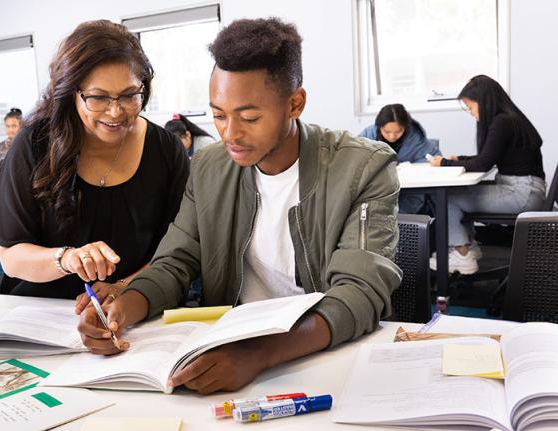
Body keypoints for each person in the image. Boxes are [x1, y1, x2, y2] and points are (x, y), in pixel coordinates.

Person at [77, 17, 401, 394]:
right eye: (218, 115)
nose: (230, 133)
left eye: (249, 117)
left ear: (295, 103)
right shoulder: (209, 167)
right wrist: (123, 310)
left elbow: (359, 294)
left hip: (321, 355)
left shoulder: (363, 167)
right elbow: (176, 261)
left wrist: (257, 355)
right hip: (225, 354)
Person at [0, 20, 189, 301]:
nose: (115, 112)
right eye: (98, 97)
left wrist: (123, 288)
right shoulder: (36, 144)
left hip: (135, 305)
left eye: (129, 95)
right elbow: (11, 256)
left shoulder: (165, 150)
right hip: (42, 308)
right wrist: (68, 259)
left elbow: (176, 249)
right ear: (71, 94)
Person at [429, 75, 546, 274]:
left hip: (521, 194)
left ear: (483, 103)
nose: (471, 113)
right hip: (528, 190)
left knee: (446, 197)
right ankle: (468, 247)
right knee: (458, 192)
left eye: (470, 107)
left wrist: (444, 163)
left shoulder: (502, 122)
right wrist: (459, 158)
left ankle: (462, 252)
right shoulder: (511, 118)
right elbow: (488, 156)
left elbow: (483, 164)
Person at [359, 103, 441, 214]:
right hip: (376, 191)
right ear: (379, 127)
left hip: (410, 191)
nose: (392, 136)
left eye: (398, 132)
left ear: (405, 127)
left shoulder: (416, 138)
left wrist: (411, 168)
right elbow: (354, 158)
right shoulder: (368, 135)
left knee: (399, 213)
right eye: (387, 132)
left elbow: (434, 158)